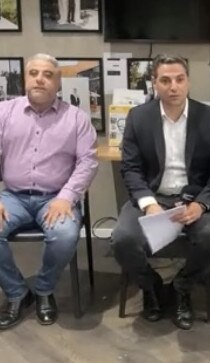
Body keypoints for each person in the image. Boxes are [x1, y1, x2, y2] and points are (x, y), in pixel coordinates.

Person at [111, 55, 210, 330]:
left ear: (188, 81)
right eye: (165, 80)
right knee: (122, 239)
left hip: (196, 199)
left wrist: (201, 204)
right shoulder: (139, 117)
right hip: (154, 197)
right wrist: (149, 204)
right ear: (155, 83)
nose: (173, 86)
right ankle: (151, 286)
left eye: (179, 79)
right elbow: (130, 168)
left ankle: (182, 287)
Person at [0, 53, 98, 329]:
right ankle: (18, 292)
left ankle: (44, 289)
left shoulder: (76, 118)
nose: (40, 79)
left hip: (55, 198)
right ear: (25, 78)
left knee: (65, 234)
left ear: (58, 82)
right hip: (13, 196)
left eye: (47, 74)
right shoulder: (4, 112)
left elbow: (88, 162)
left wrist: (66, 197)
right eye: (34, 73)